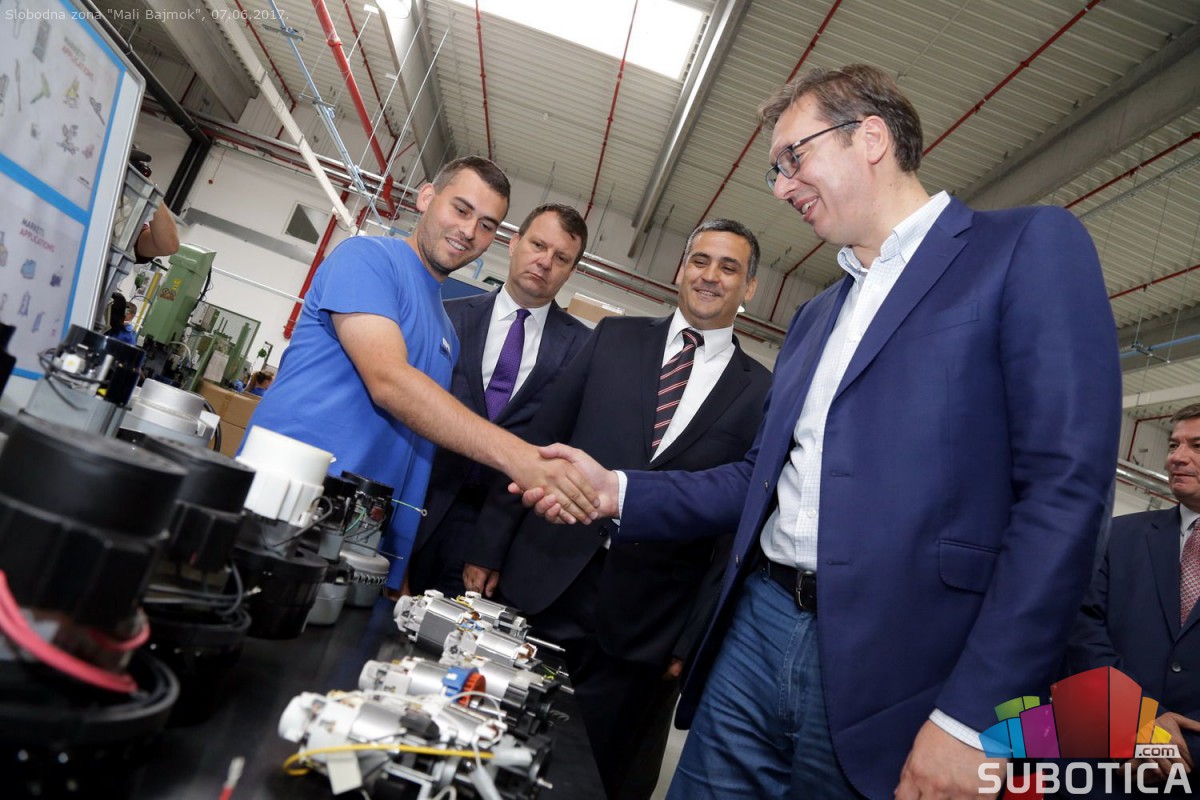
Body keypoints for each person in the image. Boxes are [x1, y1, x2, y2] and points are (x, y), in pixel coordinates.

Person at [520, 64, 1122, 799]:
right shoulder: (814, 318)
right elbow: (760, 480)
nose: (781, 187)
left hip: (903, 667)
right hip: (758, 627)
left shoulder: (1023, 247)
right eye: (776, 170)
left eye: (792, 158)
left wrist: (975, 720)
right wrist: (618, 490)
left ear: (870, 138)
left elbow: (1064, 493)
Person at [482, 219, 771, 799]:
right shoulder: (614, 338)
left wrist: (691, 639)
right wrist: (488, 546)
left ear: (750, 288)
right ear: (680, 268)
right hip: (547, 575)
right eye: (700, 261)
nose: (710, 276)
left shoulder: (762, 392)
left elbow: (736, 528)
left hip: (645, 622)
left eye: (729, 267)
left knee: (585, 772)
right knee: (492, 735)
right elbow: (540, 441)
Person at [245, 156, 598, 594]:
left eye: (486, 225)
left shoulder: (444, 328)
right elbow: (389, 381)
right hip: (287, 499)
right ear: (427, 197)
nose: (469, 231)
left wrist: (398, 560)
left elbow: (420, 447)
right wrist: (519, 458)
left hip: (358, 530)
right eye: (461, 209)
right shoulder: (367, 259)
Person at [405, 203, 592, 597]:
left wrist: (491, 548)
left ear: (571, 271)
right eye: (538, 245)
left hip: (492, 543)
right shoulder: (447, 317)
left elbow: (561, 452)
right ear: (514, 243)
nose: (545, 262)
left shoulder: (585, 350)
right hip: (417, 508)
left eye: (561, 258)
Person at [1067, 404, 1200, 789]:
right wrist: (1139, 719)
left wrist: (1186, 749)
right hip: (1106, 763)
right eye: (1173, 444)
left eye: (1197, 445)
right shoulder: (1117, 535)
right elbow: (1082, 633)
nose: (1176, 457)